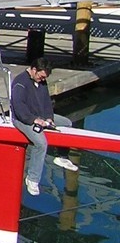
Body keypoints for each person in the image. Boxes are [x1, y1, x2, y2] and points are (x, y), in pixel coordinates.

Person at [11, 58, 78, 196]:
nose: (42, 80)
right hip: (23, 119)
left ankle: (62, 156)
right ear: (34, 70)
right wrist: (34, 120)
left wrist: (49, 118)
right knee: (41, 143)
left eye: (44, 78)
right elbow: (18, 107)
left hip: (40, 116)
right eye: (41, 77)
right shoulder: (20, 82)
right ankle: (32, 179)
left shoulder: (41, 81)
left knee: (67, 123)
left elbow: (47, 102)